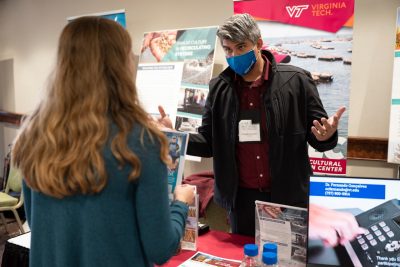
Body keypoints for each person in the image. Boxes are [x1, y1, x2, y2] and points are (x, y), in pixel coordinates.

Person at [11, 16, 194, 267]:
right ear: (120, 66)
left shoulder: (35, 137)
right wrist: (181, 204)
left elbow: (37, 221)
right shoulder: (142, 142)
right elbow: (160, 248)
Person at [158, 13, 346, 236]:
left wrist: (326, 137)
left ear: (258, 44)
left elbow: (320, 136)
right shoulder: (219, 88)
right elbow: (208, 143)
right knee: (244, 256)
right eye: (228, 49)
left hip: (288, 196)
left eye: (240, 47)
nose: (234, 55)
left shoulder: (297, 81)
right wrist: (173, 135)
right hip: (241, 201)